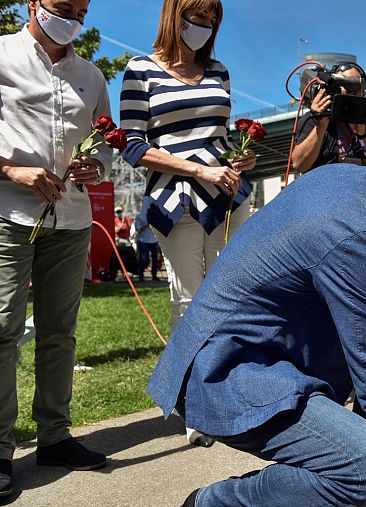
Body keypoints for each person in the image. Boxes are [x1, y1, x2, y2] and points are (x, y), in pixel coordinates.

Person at [147, 133, 366, 507]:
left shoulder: (349, 182)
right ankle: (216, 502)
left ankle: (359, 487)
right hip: (224, 371)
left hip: (251, 344)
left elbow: (325, 253)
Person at [120, 0, 256, 447]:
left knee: (234, 297)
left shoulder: (219, 70)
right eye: (196, 18)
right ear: (173, 16)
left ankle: (232, 390)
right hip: (175, 197)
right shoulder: (140, 70)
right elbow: (134, 147)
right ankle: (196, 403)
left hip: (226, 194)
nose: (203, 27)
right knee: (190, 299)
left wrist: (242, 155)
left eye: (211, 21)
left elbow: (219, 135)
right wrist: (197, 169)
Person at [0, 0, 111, 493]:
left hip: (72, 218)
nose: (72, 19)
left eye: (80, 11)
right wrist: (10, 169)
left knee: (59, 331)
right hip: (8, 213)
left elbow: (107, 143)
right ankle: (0, 448)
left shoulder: (91, 75)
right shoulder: (2, 54)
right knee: (2, 329)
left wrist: (97, 167)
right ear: (33, 5)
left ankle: (54, 435)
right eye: (62, 8)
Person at [290, 61, 366, 173]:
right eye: (346, 86)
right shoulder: (313, 119)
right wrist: (321, 125)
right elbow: (298, 165)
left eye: (356, 88)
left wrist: (364, 133)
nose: (351, 93)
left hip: (360, 187)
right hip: (326, 187)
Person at [134, 205, 161, 282]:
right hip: (143, 240)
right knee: (143, 259)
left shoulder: (155, 216)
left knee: (155, 258)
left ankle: (154, 275)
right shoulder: (139, 217)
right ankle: (141, 276)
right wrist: (148, 224)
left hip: (153, 240)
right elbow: (138, 229)